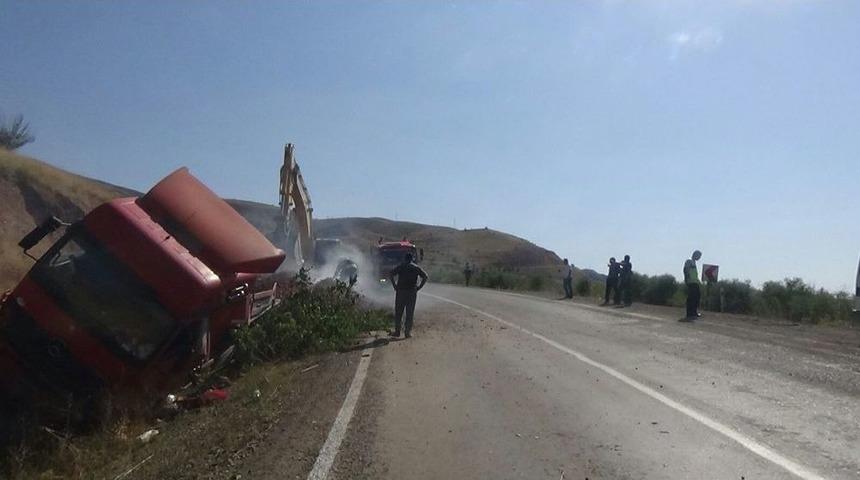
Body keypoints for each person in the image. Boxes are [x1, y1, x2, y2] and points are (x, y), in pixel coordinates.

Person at [389, 253, 428, 338]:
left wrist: (394, 285)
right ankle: (407, 332)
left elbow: (391, 274)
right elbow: (425, 276)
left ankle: (397, 331)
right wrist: (419, 287)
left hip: (401, 291)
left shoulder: (401, 266)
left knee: (399, 312)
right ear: (412, 259)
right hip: (411, 292)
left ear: (405, 259)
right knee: (409, 313)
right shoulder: (416, 268)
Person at [683, 250, 703, 320]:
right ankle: (689, 313)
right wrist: (686, 279)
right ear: (695, 254)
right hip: (691, 282)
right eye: (699, 256)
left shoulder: (694, 262)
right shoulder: (689, 261)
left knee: (697, 297)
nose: (699, 258)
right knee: (691, 298)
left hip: (695, 282)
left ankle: (694, 312)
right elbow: (685, 270)